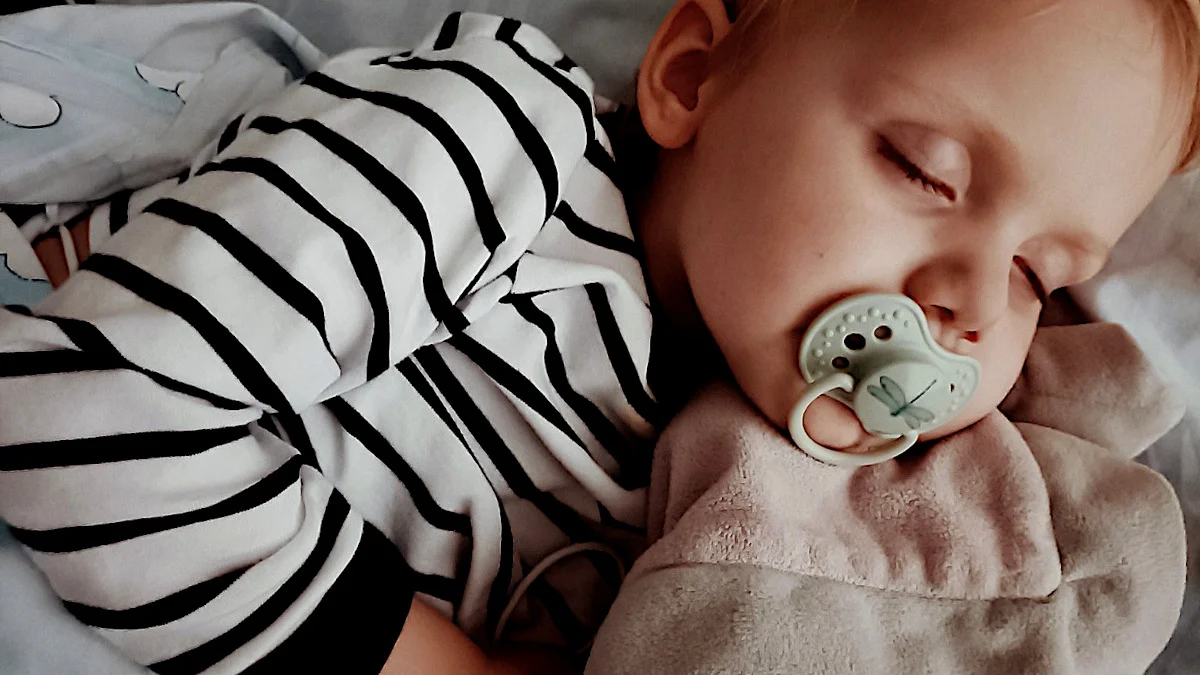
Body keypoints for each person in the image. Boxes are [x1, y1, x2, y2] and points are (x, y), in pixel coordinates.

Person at [1, 0, 1196, 673]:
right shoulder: (492, 152)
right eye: (923, 170)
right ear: (693, 74)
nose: (969, 304)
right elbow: (88, 411)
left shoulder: (762, 488)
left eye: (1040, 274)